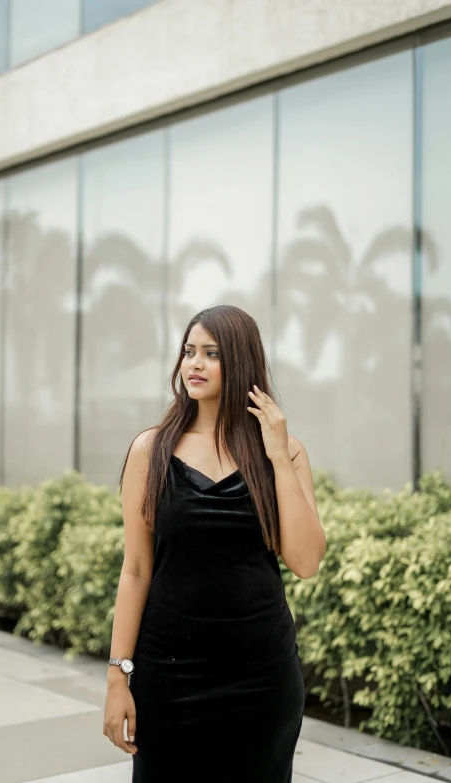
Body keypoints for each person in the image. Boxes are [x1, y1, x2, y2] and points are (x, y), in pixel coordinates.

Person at [103, 304, 326, 782]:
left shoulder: (284, 452)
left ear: (242, 362)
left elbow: (306, 561)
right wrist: (118, 676)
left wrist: (280, 459)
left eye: (211, 353)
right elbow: (137, 569)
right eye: (188, 352)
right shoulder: (152, 449)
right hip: (169, 677)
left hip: (263, 680)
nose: (194, 364)